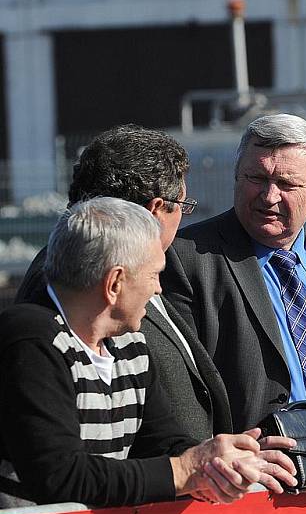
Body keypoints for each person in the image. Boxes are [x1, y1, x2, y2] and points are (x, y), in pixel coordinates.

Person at [0, 198, 298, 507]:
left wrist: (222, 461)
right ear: (115, 283)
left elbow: (163, 442)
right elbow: (60, 476)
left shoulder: (130, 345)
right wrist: (185, 470)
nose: (158, 289)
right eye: (154, 274)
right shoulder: (32, 338)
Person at [161, 113, 306, 467]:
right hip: (255, 489)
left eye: (287, 184)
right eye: (256, 178)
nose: (268, 196)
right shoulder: (189, 259)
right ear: (236, 175)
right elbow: (181, 396)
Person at [15, 125, 231, 441]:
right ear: (156, 209)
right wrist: (180, 468)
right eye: (183, 207)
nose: (156, 287)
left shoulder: (139, 265)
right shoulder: (65, 279)